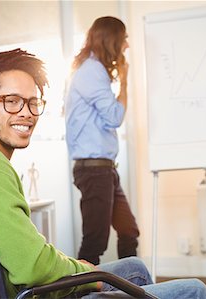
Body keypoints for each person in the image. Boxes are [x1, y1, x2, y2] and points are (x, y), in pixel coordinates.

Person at [0, 48, 206, 299]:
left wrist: (79, 270)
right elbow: (31, 266)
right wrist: (86, 276)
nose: (27, 113)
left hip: (23, 289)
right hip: (30, 293)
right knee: (194, 290)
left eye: (33, 103)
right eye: (12, 101)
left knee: (134, 267)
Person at [64, 16, 139, 267]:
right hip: (94, 171)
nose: (127, 45)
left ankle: (130, 286)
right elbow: (116, 116)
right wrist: (125, 80)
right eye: (124, 39)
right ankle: (78, 293)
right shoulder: (92, 71)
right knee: (94, 243)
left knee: (129, 230)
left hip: (104, 169)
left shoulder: (93, 70)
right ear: (112, 40)